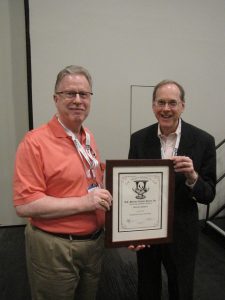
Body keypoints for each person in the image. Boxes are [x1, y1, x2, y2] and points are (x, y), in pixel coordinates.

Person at [13, 65, 112, 300]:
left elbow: (91, 184)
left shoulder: (88, 137)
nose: (78, 100)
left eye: (84, 94)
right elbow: (25, 205)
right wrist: (86, 203)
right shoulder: (34, 143)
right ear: (56, 98)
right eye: (70, 93)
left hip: (93, 243)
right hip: (55, 248)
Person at [128, 80, 216, 300]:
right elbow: (130, 186)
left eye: (172, 103)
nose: (166, 108)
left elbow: (208, 195)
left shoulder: (203, 141)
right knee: (147, 285)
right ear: (153, 105)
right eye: (161, 102)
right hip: (146, 229)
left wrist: (192, 177)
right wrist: (131, 230)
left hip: (183, 231)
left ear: (183, 106)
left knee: (181, 287)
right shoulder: (138, 139)